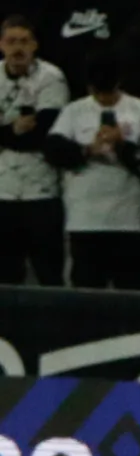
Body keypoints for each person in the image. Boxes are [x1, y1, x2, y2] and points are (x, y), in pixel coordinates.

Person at [47, 54, 140, 289]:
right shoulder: (74, 111)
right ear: (89, 87)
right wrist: (88, 150)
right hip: (85, 220)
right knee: (85, 296)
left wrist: (121, 143)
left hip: (131, 220)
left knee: (133, 295)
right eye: (99, 92)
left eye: (109, 91)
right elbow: (53, 151)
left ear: (119, 83)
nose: (104, 98)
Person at [0, 15, 71, 286]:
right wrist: (14, 130)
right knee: (5, 276)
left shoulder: (51, 77)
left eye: (24, 41)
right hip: (2, 192)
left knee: (49, 274)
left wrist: (5, 133)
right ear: (1, 44)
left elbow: (44, 133)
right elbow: (24, 134)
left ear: (35, 45)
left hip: (42, 191)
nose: (18, 48)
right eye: (11, 41)